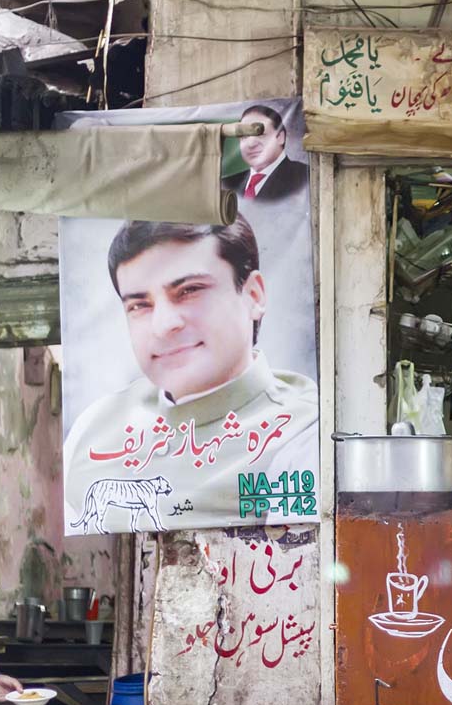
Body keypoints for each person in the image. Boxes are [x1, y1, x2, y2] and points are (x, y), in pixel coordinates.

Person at [62, 215, 319, 533]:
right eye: (140, 305)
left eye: (189, 290)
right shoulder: (92, 434)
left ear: (253, 296)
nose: (164, 325)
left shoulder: (307, 433)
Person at [221, 104, 309, 203]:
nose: (251, 144)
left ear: (280, 137)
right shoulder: (227, 183)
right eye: (244, 136)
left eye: (260, 134)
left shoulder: (305, 177)